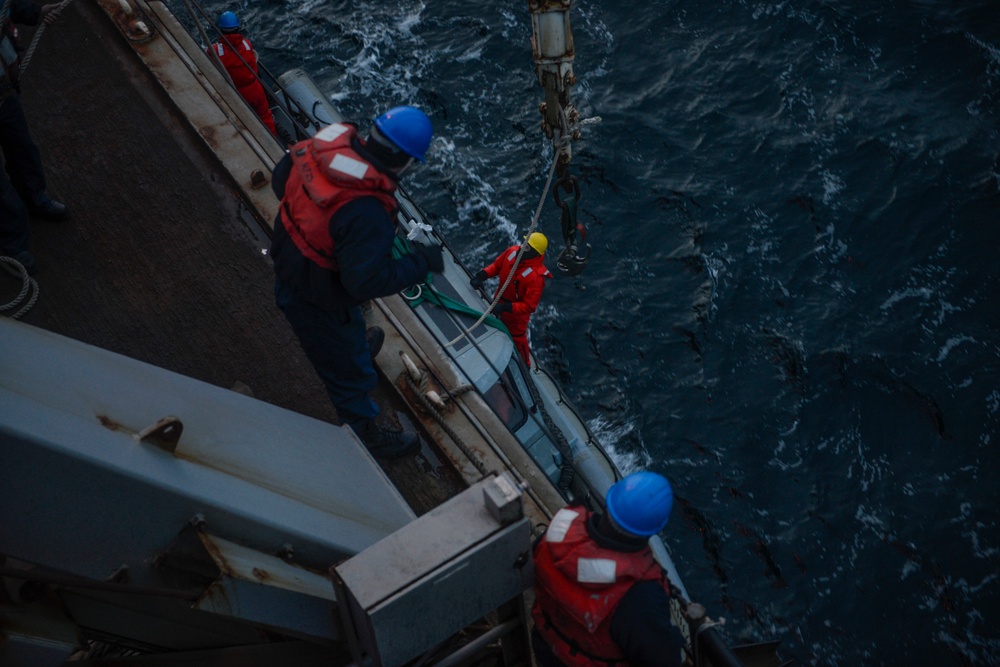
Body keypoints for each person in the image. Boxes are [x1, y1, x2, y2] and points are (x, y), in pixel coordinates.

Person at [269, 106, 443, 459]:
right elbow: (366, 282)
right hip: (319, 299)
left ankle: (355, 350)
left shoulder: (323, 148)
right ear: (406, 162)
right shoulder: (367, 210)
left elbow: (279, 180)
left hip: (288, 265)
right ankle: (367, 435)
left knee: (344, 343)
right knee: (347, 372)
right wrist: (421, 263)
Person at [531, 471, 687, 667]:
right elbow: (663, 659)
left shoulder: (555, 534)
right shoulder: (640, 596)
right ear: (655, 528)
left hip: (547, 649)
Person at [0, 0, 69, 275]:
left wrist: (37, 13)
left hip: (3, 90)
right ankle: (12, 243)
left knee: (22, 149)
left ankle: (35, 199)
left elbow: (6, 6)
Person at [469, 232, 552, 367]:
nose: (523, 248)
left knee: (518, 341)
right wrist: (482, 275)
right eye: (524, 244)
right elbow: (497, 266)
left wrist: (505, 307)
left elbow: (529, 306)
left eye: (528, 247)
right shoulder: (512, 252)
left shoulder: (536, 278)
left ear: (535, 253)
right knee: (492, 328)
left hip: (515, 318)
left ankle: (526, 367)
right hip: (499, 302)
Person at [207, 11, 277, 136]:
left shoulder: (216, 51)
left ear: (221, 30)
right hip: (256, 89)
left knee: (243, 121)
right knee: (265, 116)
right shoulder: (247, 44)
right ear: (238, 28)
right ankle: (273, 140)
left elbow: (208, 60)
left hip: (238, 94)